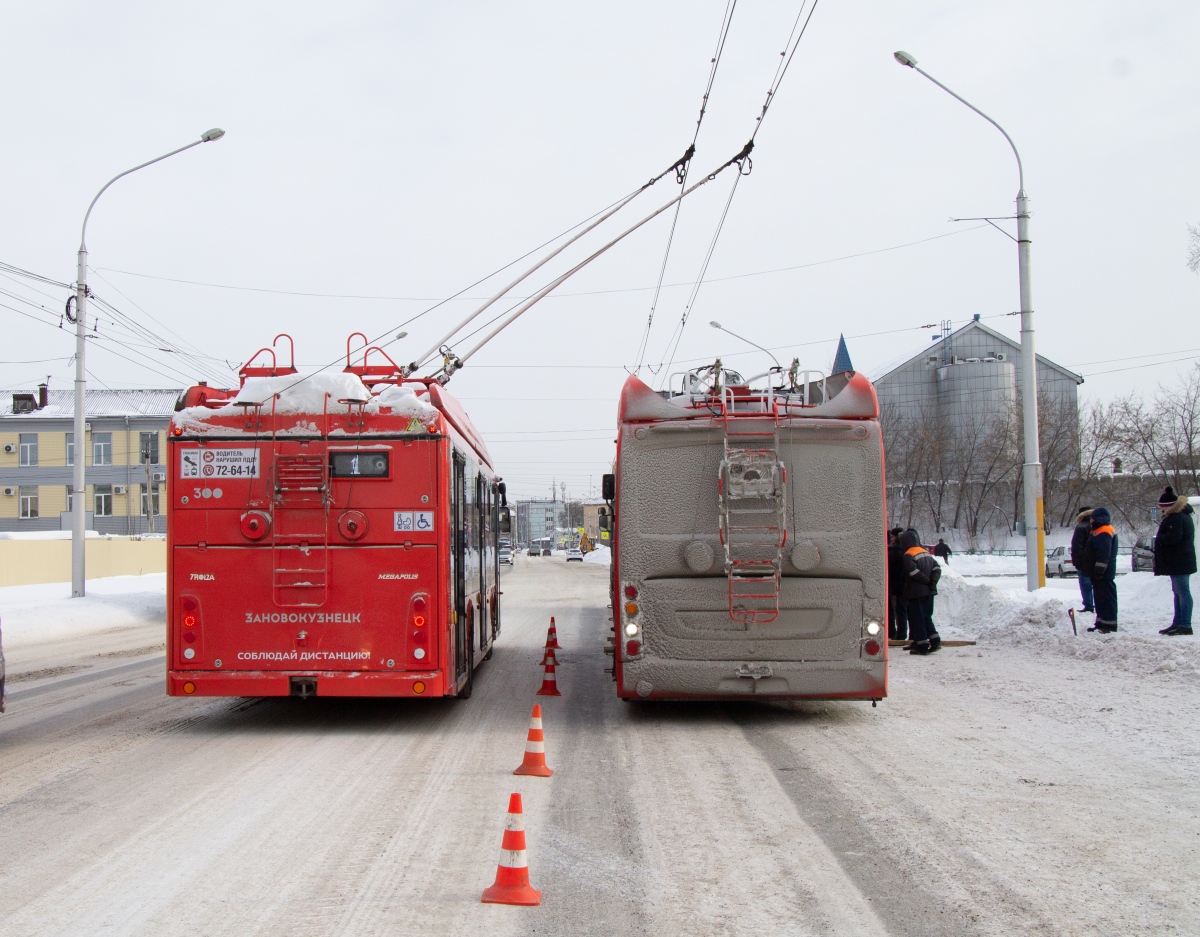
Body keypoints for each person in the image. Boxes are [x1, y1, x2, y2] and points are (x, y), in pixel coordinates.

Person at [1153, 487, 1195, 636]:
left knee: (1182, 592)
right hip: (1180, 560)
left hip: (1180, 561)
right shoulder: (1181, 515)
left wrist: (1159, 539)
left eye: (1162, 506)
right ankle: (1179, 623)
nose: (1161, 509)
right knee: (1178, 592)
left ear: (1169, 505)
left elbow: (1173, 538)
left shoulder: (1177, 517)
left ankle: (1185, 624)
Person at [900, 528, 942, 654]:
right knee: (926, 616)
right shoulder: (925, 552)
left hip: (916, 592)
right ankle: (935, 640)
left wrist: (926, 581)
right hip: (929, 592)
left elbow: (913, 572)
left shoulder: (908, 555)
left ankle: (922, 645)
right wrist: (933, 582)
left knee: (917, 617)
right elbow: (937, 568)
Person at [1081, 507, 1118, 633]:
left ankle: (1109, 624)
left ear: (1098, 518)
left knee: (1106, 598)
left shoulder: (1104, 531)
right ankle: (1102, 623)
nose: (1090, 520)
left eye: (1092, 518)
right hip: (1099, 572)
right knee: (1100, 598)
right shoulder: (1098, 529)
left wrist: (1099, 569)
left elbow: (1104, 553)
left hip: (1104, 573)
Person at [1070, 506, 1095, 613]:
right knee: (1098, 585)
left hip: (1084, 561)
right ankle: (1099, 605)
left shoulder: (1081, 527)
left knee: (1086, 584)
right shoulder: (1099, 526)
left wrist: (1077, 562)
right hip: (1098, 560)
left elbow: (1076, 546)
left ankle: (1089, 605)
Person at [887, 528, 908, 641]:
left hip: (895, 586)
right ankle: (901, 633)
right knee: (902, 611)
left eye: (892, 536)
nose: (891, 538)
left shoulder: (894, 553)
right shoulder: (905, 551)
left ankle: (899, 634)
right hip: (904, 585)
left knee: (898, 611)